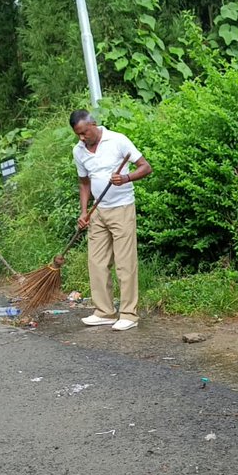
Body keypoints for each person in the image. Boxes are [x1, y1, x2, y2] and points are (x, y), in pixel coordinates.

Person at [69, 110, 153, 332]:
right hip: (98, 210)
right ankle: (104, 312)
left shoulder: (118, 140)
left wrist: (125, 177)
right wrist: (84, 212)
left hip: (122, 208)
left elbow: (146, 167)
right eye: (78, 134)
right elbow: (84, 183)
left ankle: (129, 314)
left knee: (125, 263)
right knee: (96, 262)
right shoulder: (78, 151)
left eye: (84, 133)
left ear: (93, 125)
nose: (82, 138)